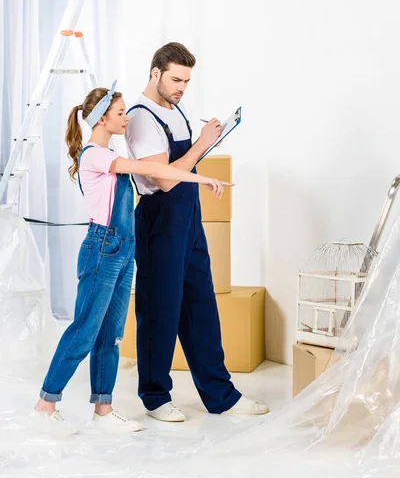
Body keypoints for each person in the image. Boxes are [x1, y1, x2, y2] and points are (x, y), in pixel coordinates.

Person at [31, 81, 230, 436]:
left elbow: (156, 175)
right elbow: (156, 172)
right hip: (102, 249)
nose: (127, 119)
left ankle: (103, 410)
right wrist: (200, 178)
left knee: (111, 336)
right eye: (121, 114)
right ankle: (46, 404)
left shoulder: (109, 154)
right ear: (102, 119)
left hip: (123, 250)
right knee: (84, 330)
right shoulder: (96, 154)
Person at [126, 43, 269, 422]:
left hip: (189, 217)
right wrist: (204, 144)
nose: (181, 87)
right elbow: (165, 181)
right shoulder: (141, 119)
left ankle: (221, 395)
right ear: (155, 72)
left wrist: (209, 143)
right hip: (160, 218)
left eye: (187, 81)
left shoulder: (174, 109)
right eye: (175, 79)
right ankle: (155, 397)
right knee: (160, 309)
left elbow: (183, 167)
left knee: (201, 306)